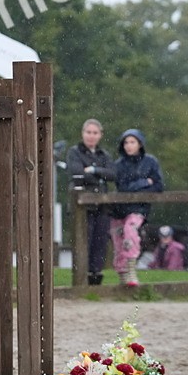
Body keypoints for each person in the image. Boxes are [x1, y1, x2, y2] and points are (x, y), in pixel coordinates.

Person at [110, 128, 164, 287]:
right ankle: (123, 277)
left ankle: (132, 270)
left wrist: (138, 187)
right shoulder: (119, 164)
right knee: (118, 242)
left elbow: (159, 185)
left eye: (132, 142)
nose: (129, 145)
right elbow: (123, 188)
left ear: (140, 144)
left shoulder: (150, 162)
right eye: (126, 142)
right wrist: (144, 183)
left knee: (130, 232)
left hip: (139, 208)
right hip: (119, 209)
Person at [65, 118, 116, 285]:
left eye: (95, 133)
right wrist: (100, 176)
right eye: (88, 132)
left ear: (100, 135)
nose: (91, 136)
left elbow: (113, 174)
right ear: (82, 133)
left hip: (102, 204)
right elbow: (77, 174)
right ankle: (81, 277)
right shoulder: (74, 152)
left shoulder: (104, 154)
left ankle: (96, 276)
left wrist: (94, 170)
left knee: (100, 241)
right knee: (83, 240)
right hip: (83, 205)